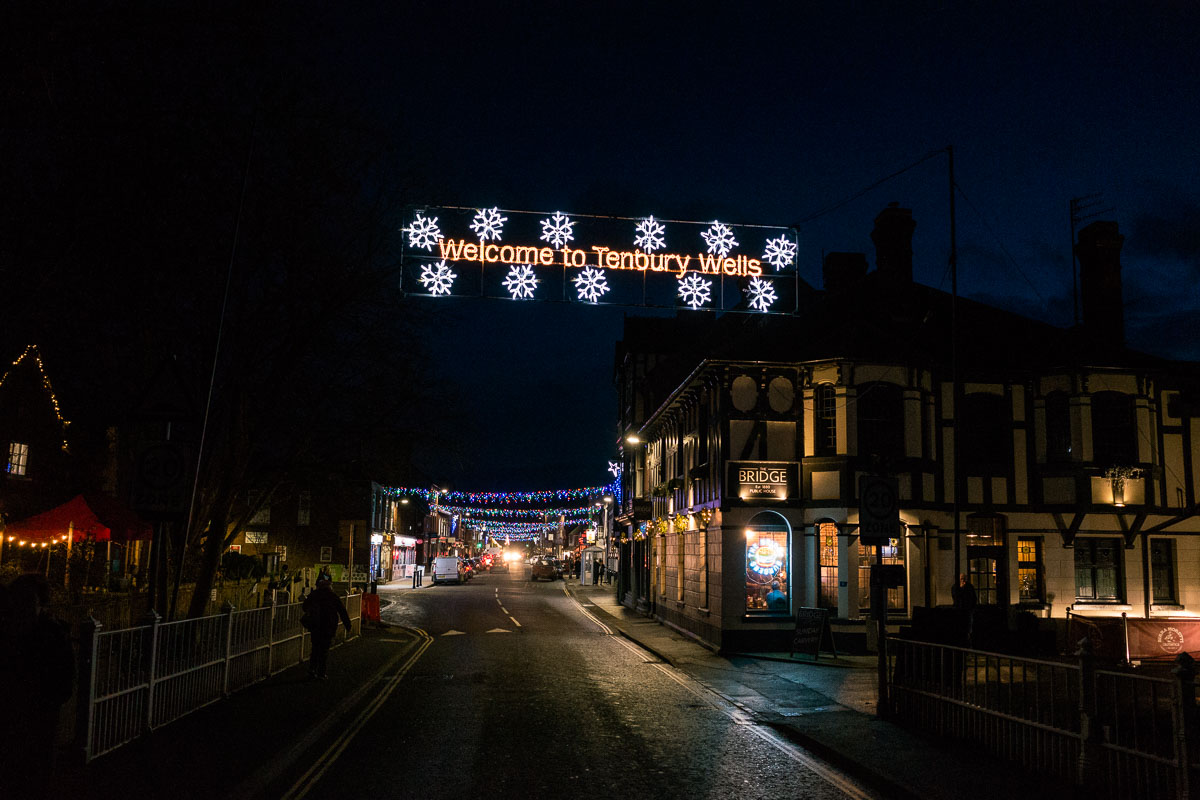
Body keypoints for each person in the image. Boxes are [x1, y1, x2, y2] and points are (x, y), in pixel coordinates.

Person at [0, 574, 76, 800]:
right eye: (18, 600)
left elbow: (63, 684)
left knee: (32, 781)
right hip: (11, 724)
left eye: (27, 601)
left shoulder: (53, 638)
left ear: (41, 605)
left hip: (38, 726)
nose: (21, 607)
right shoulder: (9, 635)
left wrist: (36, 699)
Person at [302, 577, 352, 680]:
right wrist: (348, 625)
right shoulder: (332, 596)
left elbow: (304, 606)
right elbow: (342, 611)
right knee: (324, 650)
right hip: (328, 627)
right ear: (329, 587)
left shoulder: (314, 595)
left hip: (315, 626)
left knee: (315, 648)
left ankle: (312, 670)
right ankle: (321, 672)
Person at [951, 573, 977, 645]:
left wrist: (972, 607)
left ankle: (968, 636)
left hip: (967, 609)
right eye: (961, 578)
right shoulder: (955, 587)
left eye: (963, 578)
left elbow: (974, 598)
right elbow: (955, 597)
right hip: (960, 609)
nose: (963, 580)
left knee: (968, 624)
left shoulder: (969, 587)